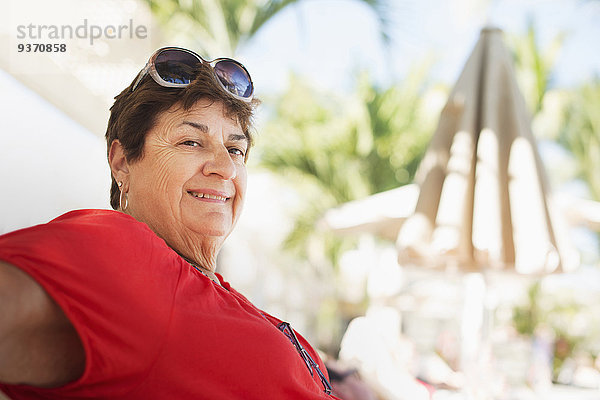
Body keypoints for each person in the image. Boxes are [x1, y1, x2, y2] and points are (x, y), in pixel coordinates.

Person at [0, 46, 336, 399]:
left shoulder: (209, 290)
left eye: (235, 149)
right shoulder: (127, 254)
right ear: (121, 163)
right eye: (191, 141)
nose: (225, 167)